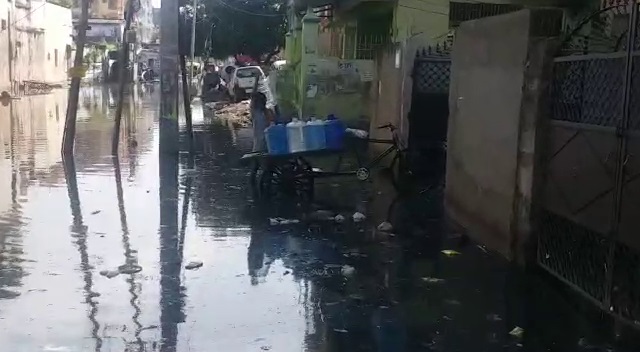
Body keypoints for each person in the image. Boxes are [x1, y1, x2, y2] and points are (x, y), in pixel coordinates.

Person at [250, 73, 276, 152]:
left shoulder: (267, 112)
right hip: (260, 147)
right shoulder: (256, 112)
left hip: (268, 147)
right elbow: (253, 96)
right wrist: (256, 80)